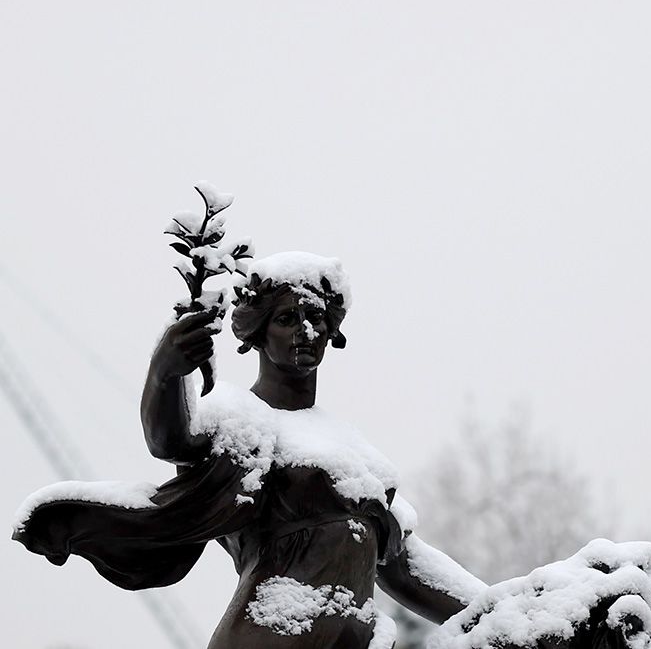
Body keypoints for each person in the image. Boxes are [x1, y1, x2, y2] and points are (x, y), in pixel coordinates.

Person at [14, 252, 485, 648]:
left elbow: (405, 566)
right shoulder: (241, 418)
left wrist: (497, 608)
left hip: (353, 638)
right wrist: (166, 373)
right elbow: (172, 440)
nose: (305, 330)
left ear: (332, 331)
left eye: (316, 318)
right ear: (258, 333)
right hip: (272, 629)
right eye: (286, 319)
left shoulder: (357, 454)